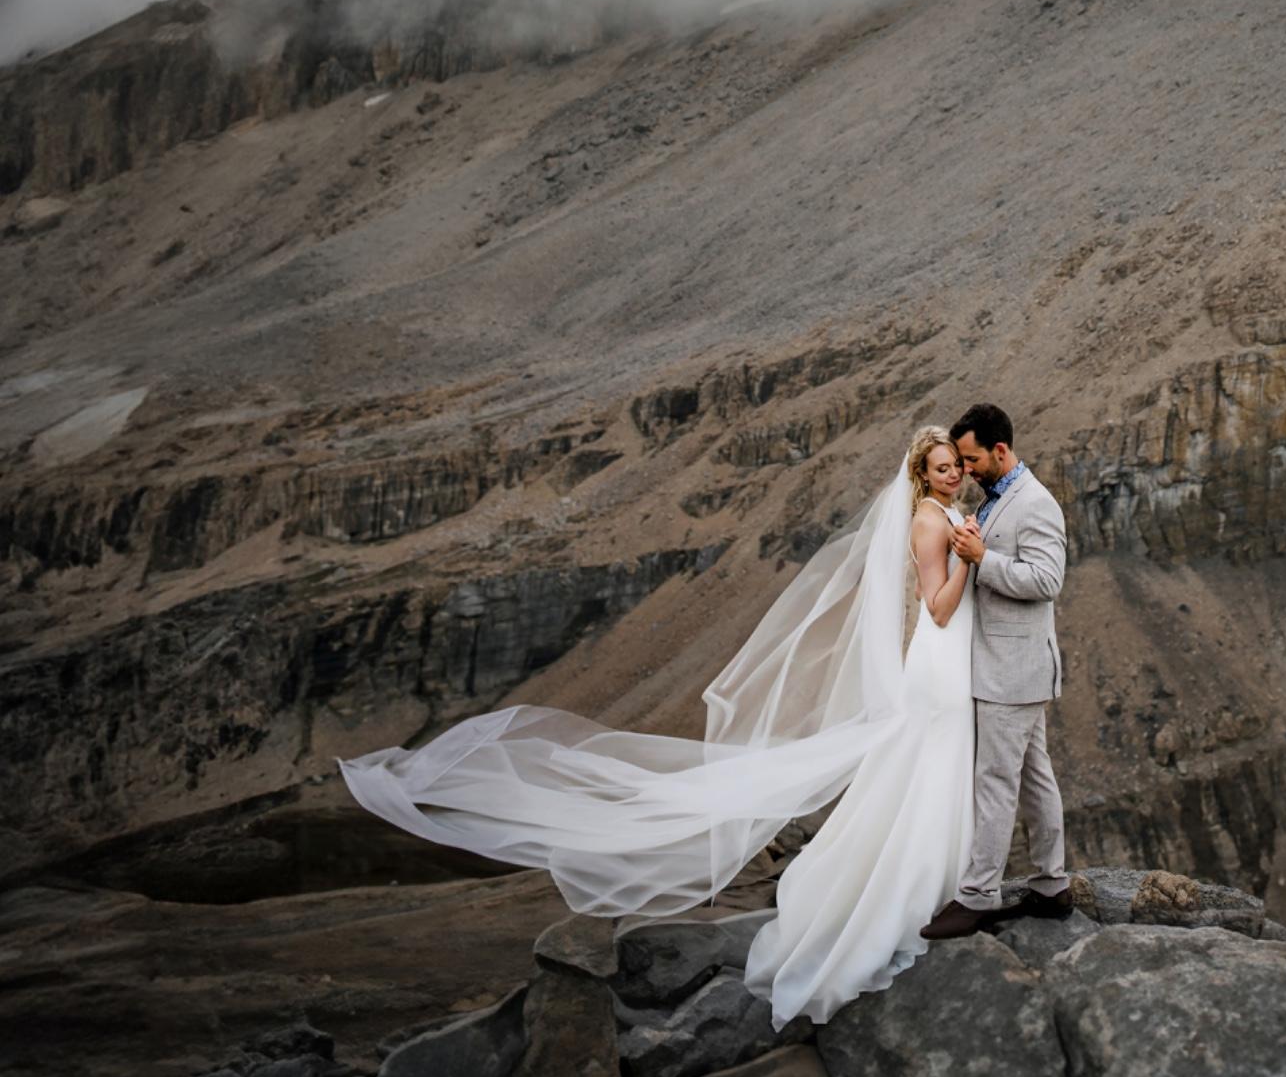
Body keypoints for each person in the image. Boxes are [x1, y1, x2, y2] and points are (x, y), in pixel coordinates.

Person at [341, 421, 992, 1026]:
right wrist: (968, 556)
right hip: (935, 670)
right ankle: (904, 904)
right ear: (918, 473)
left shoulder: (935, 515)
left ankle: (928, 890)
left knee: (921, 778)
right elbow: (936, 609)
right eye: (938, 468)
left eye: (953, 467)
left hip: (937, 668)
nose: (950, 475)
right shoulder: (932, 526)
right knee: (927, 776)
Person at [919, 403, 1072, 939]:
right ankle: (1053, 884)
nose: (965, 469)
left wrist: (984, 558)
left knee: (996, 781)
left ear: (1000, 451)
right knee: (1035, 778)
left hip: (1014, 670)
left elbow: (1047, 580)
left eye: (972, 458)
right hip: (1010, 667)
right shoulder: (994, 498)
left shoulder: (1035, 504)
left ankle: (978, 894)